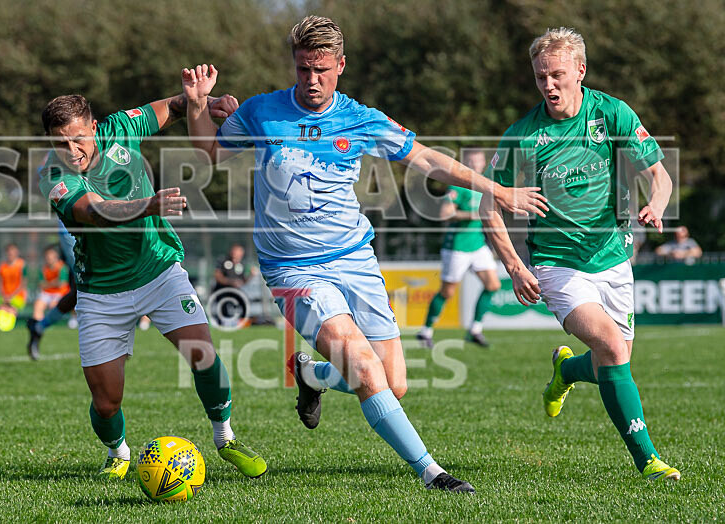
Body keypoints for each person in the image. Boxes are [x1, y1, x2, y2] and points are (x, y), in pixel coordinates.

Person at [184, 16, 548, 493]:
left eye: (320, 70)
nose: (311, 80)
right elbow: (207, 151)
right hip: (292, 269)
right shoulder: (262, 111)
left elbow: (428, 160)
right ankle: (431, 472)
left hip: (354, 259)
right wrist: (195, 105)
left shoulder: (362, 119)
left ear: (340, 65)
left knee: (393, 383)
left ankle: (311, 375)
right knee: (362, 366)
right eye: (301, 70)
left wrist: (495, 189)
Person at [479, 27, 679, 481]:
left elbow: (659, 176)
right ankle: (647, 459)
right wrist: (514, 265)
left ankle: (566, 370)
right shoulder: (524, 136)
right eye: (540, 77)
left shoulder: (611, 113)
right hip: (557, 265)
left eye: (556, 75)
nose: (548, 85)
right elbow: (487, 206)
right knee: (611, 347)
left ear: (580, 72)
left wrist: (656, 205)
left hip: (613, 257)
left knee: (617, 357)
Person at [38, 90, 267, 480]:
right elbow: (93, 212)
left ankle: (225, 437)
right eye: (60, 142)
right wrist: (147, 206)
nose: (71, 149)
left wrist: (202, 103)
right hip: (101, 291)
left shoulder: (121, 128)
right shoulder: (53, 175)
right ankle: (118, 451)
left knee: (204, 355)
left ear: (94, 127)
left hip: (159, 271)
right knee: (107, 402)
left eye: (78, 138)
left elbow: (174, 107)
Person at [417, 149, 501, 349]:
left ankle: (475, 330)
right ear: (464, 162)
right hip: (457, 247)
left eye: (478, 161)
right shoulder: (458, 186)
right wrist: (472, 215)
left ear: (483, 163)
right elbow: (445, 212)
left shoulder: (485, 185)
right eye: (470, 161)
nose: (475, 164)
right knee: (447, 292)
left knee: (493, 285)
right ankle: (425, 331)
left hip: (478, 245)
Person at [27, 219, 78, 359]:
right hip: (73, 225)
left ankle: (38, 327)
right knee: (87, 284)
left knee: (77, 294)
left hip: (89, 225)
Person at [0, 243, 27, 316]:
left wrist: (11, 296)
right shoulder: (2, 266)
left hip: (18, 296)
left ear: (17, 252)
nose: (10, 253)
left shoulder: (22, 265)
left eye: (13, 251)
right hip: (4, 297)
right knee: (1, 309)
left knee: (11, 309)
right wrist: (4, 295)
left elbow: (23, 284)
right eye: (9, 251)